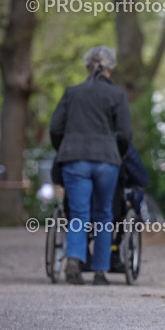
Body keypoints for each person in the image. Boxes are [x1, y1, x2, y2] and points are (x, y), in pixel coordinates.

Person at [49, 46, 133, 286]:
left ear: (87, 67)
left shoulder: (72, 93)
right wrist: (119, 154)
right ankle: (99, 271)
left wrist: (65, 149)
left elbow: (55, 128)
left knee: (78, 213)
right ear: (111, 69)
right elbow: (125, 133)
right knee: (104, 214)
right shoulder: (117, 95)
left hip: (75, 160)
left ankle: (75, 258)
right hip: (107, 160)